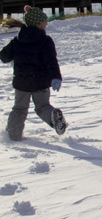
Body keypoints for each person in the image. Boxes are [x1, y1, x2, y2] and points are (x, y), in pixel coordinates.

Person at [0, 7, 66, 140]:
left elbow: (3, 56)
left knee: (19, 109)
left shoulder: (17, 41)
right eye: (44, 21)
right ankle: (53, 117)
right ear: (38, 23)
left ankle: (13, 135)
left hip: (22, 82)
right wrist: (56, 77)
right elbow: (51, 61)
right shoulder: (45, 41)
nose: (46, 23)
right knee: (43, 106)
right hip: (40, 82)